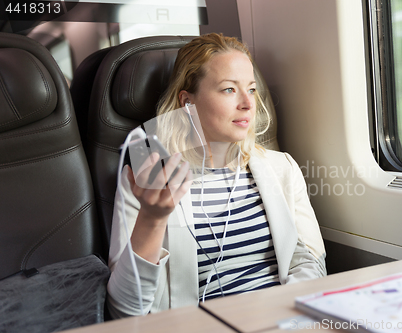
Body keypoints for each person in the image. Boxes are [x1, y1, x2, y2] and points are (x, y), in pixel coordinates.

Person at [107, 33, 326, 318]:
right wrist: (152, 218)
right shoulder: (149, 181)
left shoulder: (282, 168)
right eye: (228, 90)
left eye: (252, 89)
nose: (248, 103)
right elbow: (125, 312)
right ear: (188, 103)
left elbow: (310, 265)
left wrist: (283, 319)